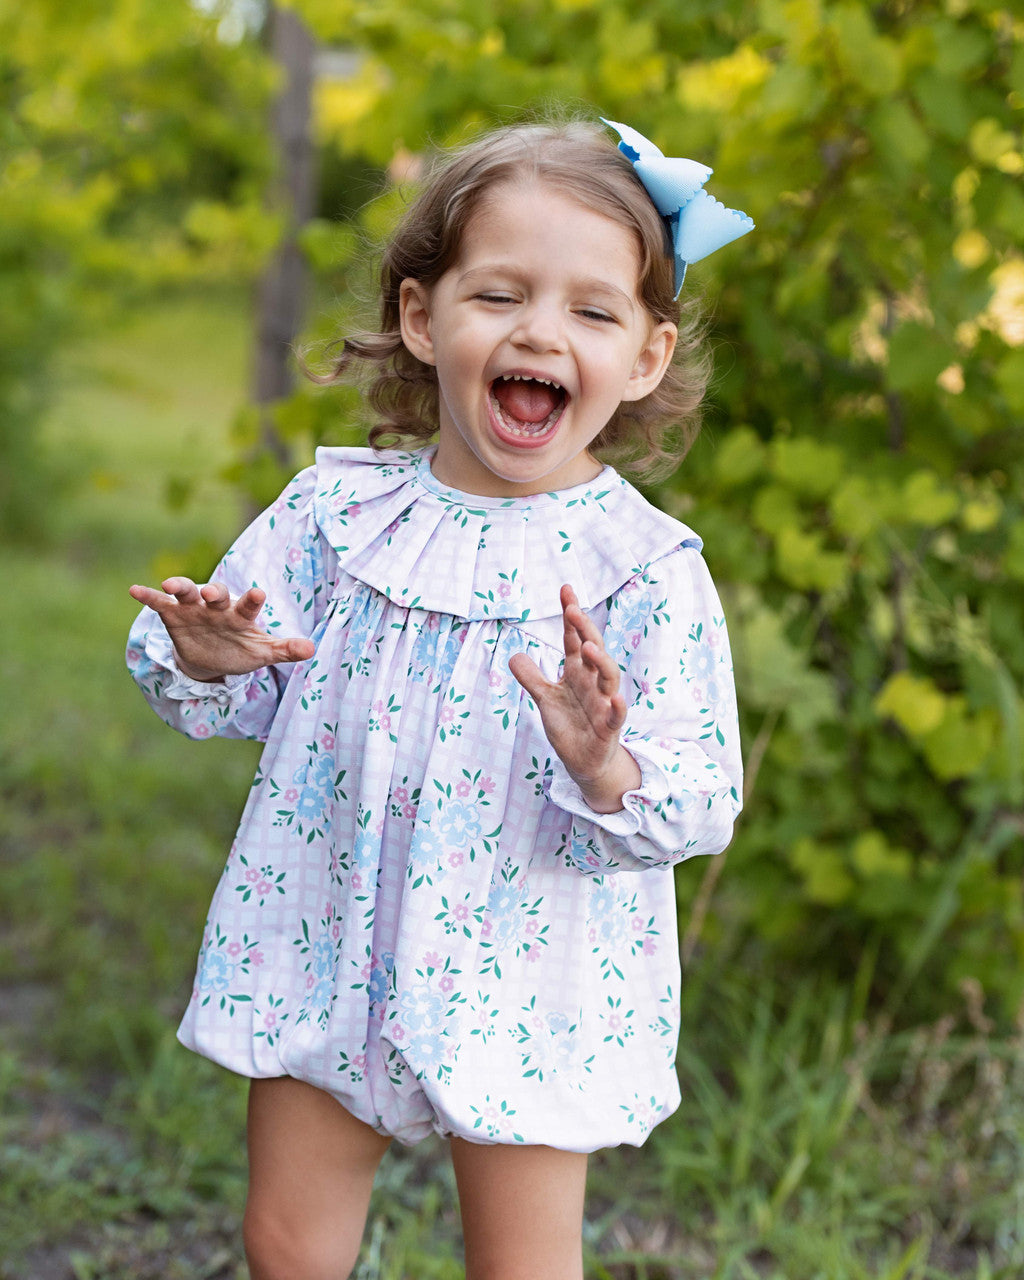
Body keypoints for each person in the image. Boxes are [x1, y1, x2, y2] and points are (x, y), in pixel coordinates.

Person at [127, 116, 753, 1280]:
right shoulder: (335, 517)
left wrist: (601, 758)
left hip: (529, 965)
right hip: (330, 929)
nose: (539, 331)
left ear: (647, 357)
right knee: (285, 1240)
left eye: (591, 310)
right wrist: (210, 654)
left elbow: (698, 797)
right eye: (500, 293)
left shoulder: (643, 568)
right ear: (424, 316)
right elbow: (231, 681)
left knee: (518, 1262)